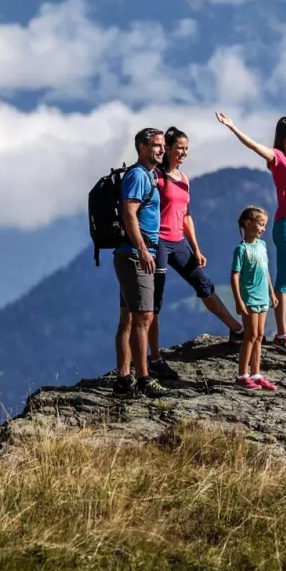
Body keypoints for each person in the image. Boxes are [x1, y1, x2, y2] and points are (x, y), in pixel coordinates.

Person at [214, 85, 286, 356]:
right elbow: (255, 146)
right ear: (284, 135)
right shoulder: (277, 158)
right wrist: (233, 128)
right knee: (285, 282)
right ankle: (281, 333)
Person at [146, 126, 244, 379]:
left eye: (186, 149)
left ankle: (236, 329)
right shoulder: (155, 177)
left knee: (203, 283)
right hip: (157, 243)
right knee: (154, 302)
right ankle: (155, 357)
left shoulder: (184, 179)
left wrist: (196, 249)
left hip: (178, 242)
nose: (184, 154)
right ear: (167, 149)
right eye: (180, 149)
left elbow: (186, 216)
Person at [115, 127, 170, 397]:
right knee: (143, 317)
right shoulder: (138, 175)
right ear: (142, 147)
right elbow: (129, 212)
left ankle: (124, 380)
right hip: (137, 254)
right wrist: (143, 249)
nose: (162, 149)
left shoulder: (148, 174)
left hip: (131, 253)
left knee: (128, 317)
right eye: (157, 145)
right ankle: (143, 378)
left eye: (162, 146)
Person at [231, 205, 279, 391]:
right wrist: (239, 300)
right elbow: (234, 275)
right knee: (250, 336)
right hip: (250, 298)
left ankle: (256, 373)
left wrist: (271, 292)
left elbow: (265, 270)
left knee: (259, 335)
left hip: (262, 297)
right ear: (247, 224)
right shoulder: (241, 249)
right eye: (260, 224)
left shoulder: (262, 245)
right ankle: (242, 375)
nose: (263, 228)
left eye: (264, 225)